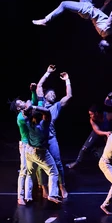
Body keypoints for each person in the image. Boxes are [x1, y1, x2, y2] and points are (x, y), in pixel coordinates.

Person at [35, 64, 72, 199]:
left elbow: (69, 96)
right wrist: (48, 73)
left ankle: (62, 186)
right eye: (51, 93)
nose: (53, 95)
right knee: (41, 165)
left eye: (54, 94)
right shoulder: (40, 103)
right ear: (45, 95)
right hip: (40, 140)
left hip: (51, 138)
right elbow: (39, 86)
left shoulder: (56, 106)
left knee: (57, 162)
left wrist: (67, 80)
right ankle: (44, 187)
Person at [22, 104, 62, 204]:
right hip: (40, 152)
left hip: (28, 150)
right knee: (53, 172)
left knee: (30, 173)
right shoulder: (43, 125)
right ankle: (52, 195)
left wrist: (28, 109)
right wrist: (33, 107)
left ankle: (27, 196)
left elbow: (24, 114)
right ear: (41, 116)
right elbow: (47, 112)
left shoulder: (28, 122)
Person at [66, 104, 112, 170]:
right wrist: (106, 133)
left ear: (97, 113)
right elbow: (97, 131)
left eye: (91, 114)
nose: (90, 116)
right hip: (98, 133)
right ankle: (77, 162)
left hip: (109, 133)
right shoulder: (92, 120)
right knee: (85, 148)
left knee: (111, 149)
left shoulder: (108, 116)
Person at [9, 88, 37, 206]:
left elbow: (33, 101)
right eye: (19, 102)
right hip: (25, 145)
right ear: (18, 108)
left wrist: (33, 92)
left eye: (21, 100)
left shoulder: (27, 111)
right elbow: (30, 110)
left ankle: (28, 196)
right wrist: (30, 103)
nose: (22, 101)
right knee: (24, 170)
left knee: (31, 170)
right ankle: (20, 197)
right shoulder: (20, 118)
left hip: (32, 145)